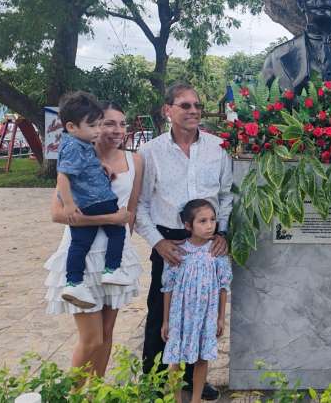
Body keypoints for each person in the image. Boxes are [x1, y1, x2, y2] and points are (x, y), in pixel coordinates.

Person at [136, 82, 233, 401]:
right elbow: (140, 205)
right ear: (168, 111)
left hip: (208, 241)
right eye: (185, 105)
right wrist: (157, 243)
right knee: (160, 313)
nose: (193, 111)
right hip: (170, 243)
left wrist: (223, 234)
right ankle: (153, 381)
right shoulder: (151, 152)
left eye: (197, 105)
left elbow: (226, 195)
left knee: (201, 312)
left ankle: (195, 380)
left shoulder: (219, 147)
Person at [44, 101, 144, 377]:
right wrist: (109, 220)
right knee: (92, 339)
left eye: (121, 124)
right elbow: (58, 214)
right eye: (107, 123)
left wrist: (123, 242)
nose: (115, 130)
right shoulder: (78, 161)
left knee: (108, 333)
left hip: (114, 256)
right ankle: (71, 395)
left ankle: (95, 394)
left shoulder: (134, 160)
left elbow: (131, 209)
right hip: (82, 254)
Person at [56, 91, 131, 309]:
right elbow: (63, 176)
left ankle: (74, 281)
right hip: (99, 198)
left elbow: (83, 166)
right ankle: (112, 269)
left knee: (79, 244)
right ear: (71, 126)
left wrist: (101, 166)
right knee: (118, 230)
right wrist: (69, 204)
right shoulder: (74, 145)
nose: (97, 131)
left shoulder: (76, 143)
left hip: (85, 204)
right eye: (94, 126)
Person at [161, 199, 232, 403]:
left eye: (212, 220)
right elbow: (167, 288)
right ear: (187, 225)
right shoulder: (177, 252)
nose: (210, 225)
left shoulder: (217, 252)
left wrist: (220, 318)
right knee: (175, 357)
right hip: (180, 315)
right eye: (202, 221)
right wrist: (166, 321)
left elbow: (223, 288)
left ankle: (196, 399)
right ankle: (176, 399)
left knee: (202, 357)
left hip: (206, 314)